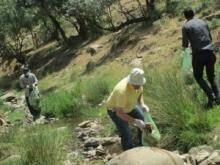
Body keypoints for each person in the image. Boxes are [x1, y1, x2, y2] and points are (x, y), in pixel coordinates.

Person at [182, 7, 220, 108]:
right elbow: (210, 37)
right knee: (211, 76)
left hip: (199, 55)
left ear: (185, 16)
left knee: (198, 76)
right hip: (211, 52)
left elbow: (185, 44)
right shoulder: (203, 22)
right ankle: (218, 97)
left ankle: (211, 96)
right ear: (194, 13)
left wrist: (189, 47)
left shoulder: (186, 26)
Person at [106, 68, 151, 151]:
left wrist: (142, 104)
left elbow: (140, 94)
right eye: (136, 85)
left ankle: (142, 144)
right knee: (126, 132)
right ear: (131, 82)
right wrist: (135, 121)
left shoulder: (139, 84)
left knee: (142, 119)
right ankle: (128, 152)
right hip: (115, 110)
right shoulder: (122, 91)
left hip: (129, 105)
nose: (139, 87)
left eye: (140, 85)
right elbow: (119, 113)